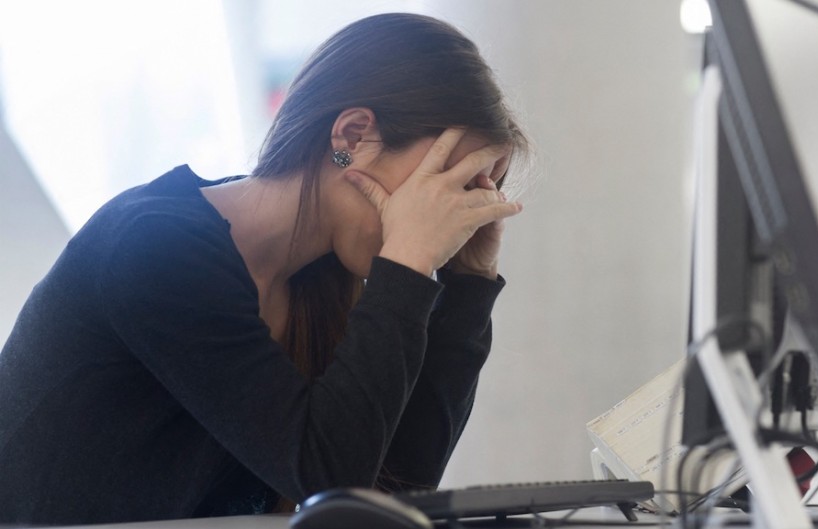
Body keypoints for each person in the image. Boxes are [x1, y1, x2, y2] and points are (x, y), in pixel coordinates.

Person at [0, 13, 528, 524]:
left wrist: (470, 283)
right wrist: (408, 259)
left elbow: (395, 489)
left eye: (479, 190)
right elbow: (330, 482)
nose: (456, 213)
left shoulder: (322, 282)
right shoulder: (156, 247)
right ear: (352, 137)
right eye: (448, 181)